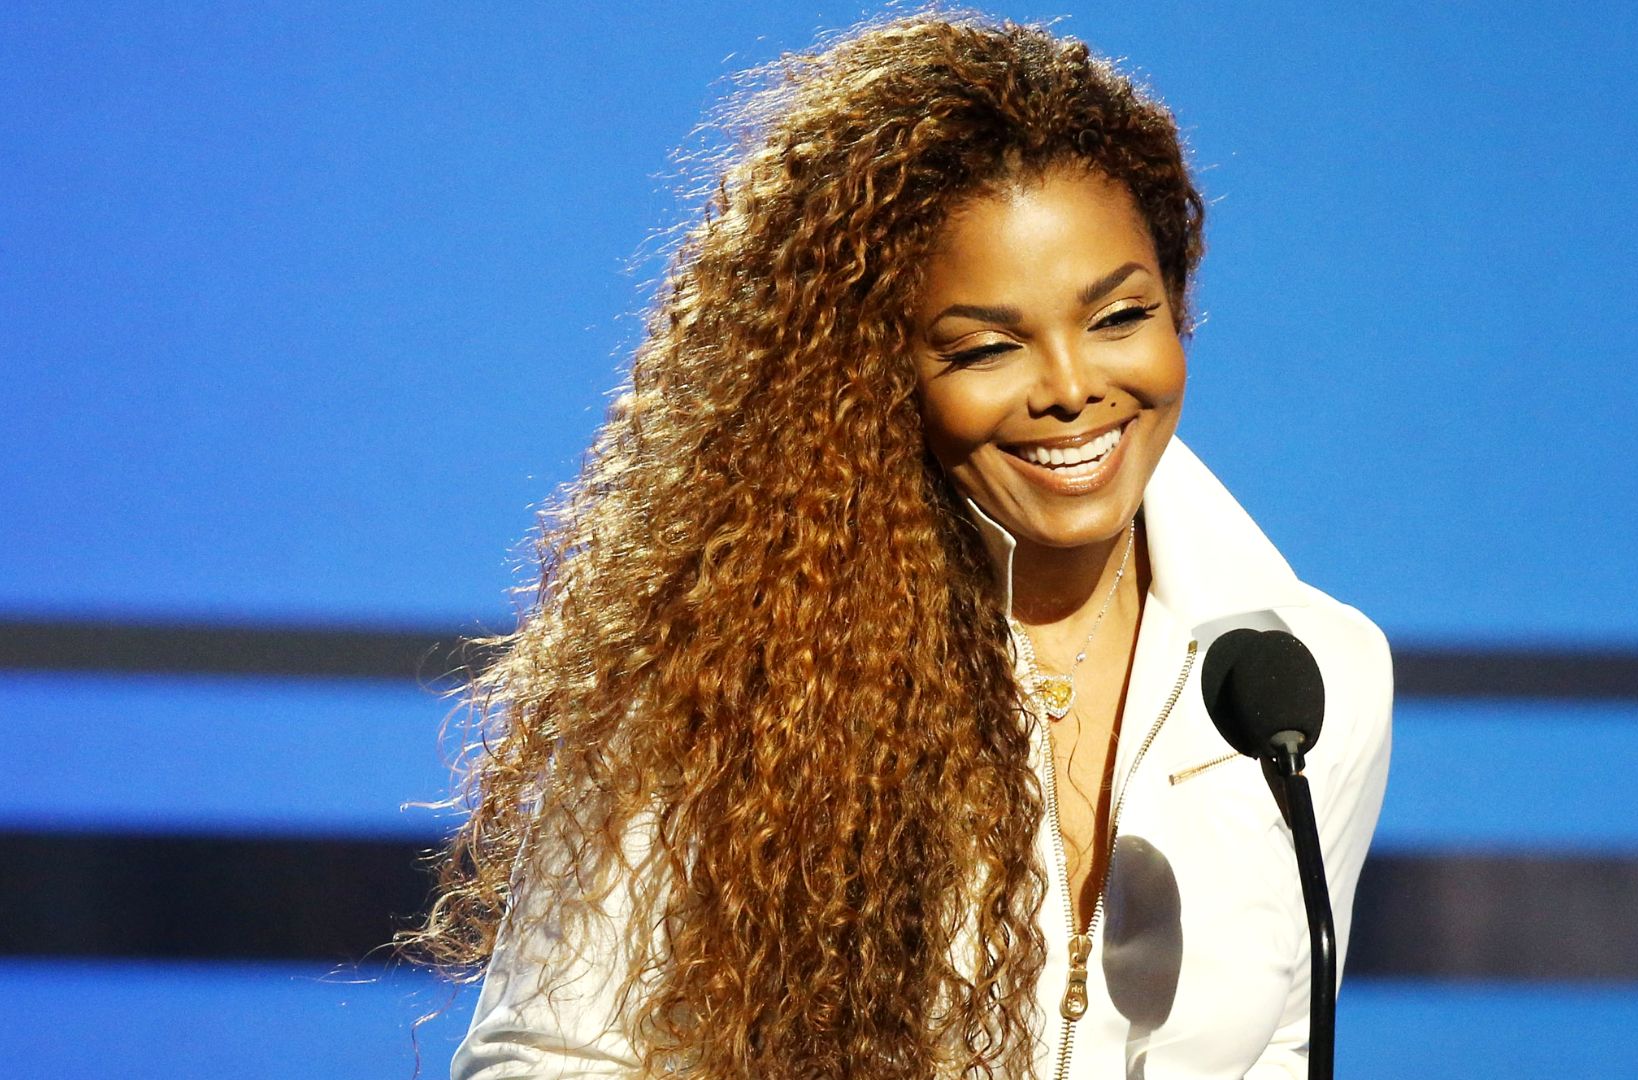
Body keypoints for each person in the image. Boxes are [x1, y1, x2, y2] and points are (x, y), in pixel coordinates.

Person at [407, 12, 1391, 1079]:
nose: (1071, 388)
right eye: (984, 346)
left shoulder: (1311, 679)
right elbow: (542, 1059)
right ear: (871, 374)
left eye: (1118, 318)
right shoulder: (708, 667)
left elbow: (1286, 1051)